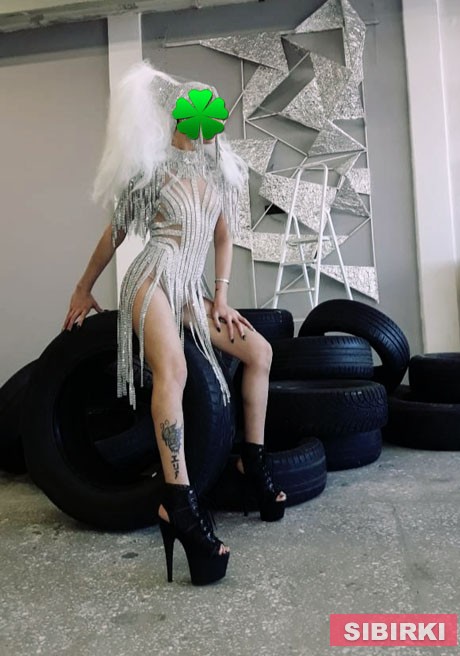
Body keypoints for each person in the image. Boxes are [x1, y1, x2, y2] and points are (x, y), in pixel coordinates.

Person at [61, 60, 287, 586]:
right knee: (176, 370)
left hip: (190, 288)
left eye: (210, 115)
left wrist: (222, 298)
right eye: (195, 113)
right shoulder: (152, 167)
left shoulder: (218, 173)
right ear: (178, 116)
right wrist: (82, 287)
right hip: (151, 278)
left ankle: (251, 464)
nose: (204, 126)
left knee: (260, 352)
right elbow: (115, 233)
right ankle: (179, 502)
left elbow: (223, 238)